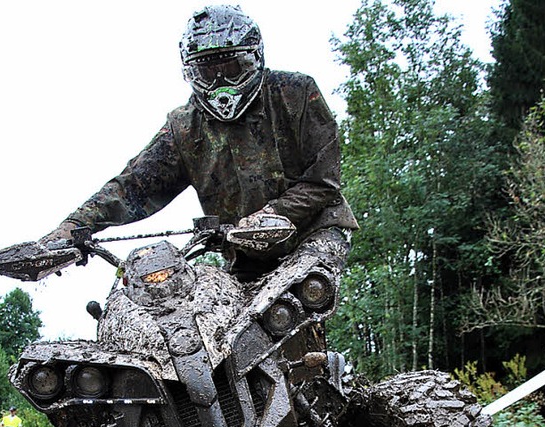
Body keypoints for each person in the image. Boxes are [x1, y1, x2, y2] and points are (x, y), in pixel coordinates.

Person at [41, 4, 358, 280]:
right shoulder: (184, 127)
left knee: (306, 289)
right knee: (208, 314)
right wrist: (72, 228)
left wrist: (273, 214)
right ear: (191, 71)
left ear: (253, 57)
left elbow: (322, 182)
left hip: (314, 235)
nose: (221, 81)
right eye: (208, 71)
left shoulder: (295, 93)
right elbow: (133, 188)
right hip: (243, 253)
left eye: (230, 67)